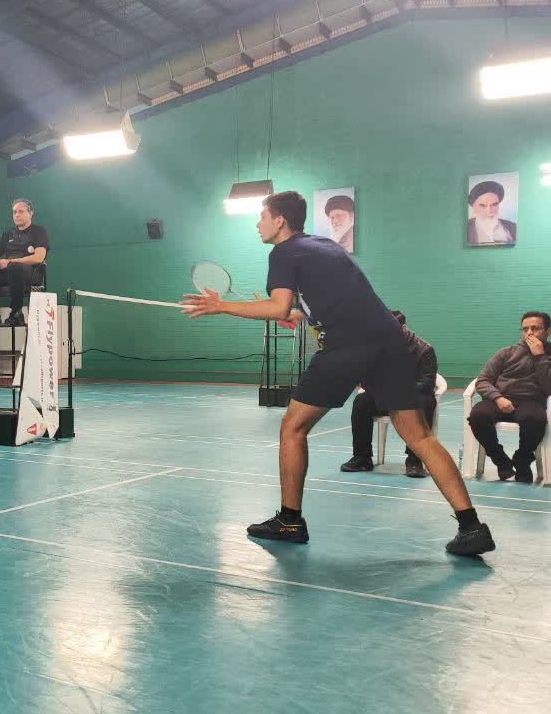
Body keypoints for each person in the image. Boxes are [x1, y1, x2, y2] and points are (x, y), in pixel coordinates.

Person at [183, 191, 495, 556]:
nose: (258, 224)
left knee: (293, 427)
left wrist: (222, 306)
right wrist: (301, 314)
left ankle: (289, 521)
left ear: (280, 220)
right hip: (391, 342)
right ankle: (472, 527)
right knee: (420, 436)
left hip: (348, 346)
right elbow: (329, 299)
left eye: (262, 216)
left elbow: (277, 306)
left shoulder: (282, 252)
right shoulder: (326, 246)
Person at [340, 310, 437, 477]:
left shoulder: (424, 350)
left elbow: (427, 384)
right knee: (362, 401)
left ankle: (414, 460)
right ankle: (362, 457)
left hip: (412, 397)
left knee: (426, 401)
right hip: (387, 397)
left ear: (404, 328)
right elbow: (367, 379)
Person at [468, 311, 551, 484]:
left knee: (535, 419)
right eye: (525, 329)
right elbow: (483, 380)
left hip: (531, 402)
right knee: (478, 416)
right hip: (499, 399)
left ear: (548, 331)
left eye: (535, 328)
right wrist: (497, 398)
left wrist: (540, 357)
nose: (529, 333)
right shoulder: (506, 353)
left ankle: (522, 461)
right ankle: (501, 461)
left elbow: (548, 387)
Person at [0, 198, 49, 326]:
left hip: (31, 273)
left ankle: (16, 313)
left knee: (14, 267)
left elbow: (38, 258)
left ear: (31, 213)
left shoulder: (39, 231)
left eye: (21, 211)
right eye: (14, 212)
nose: (17, 215)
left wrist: (9, 261)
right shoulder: (8, 234)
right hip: (8, 272)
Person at [466, 180, 517, 246]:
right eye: (482, 205)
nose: (489, 211)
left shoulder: (512, 227)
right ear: (474, 207)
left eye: (494, 204)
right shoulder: (467, 227)